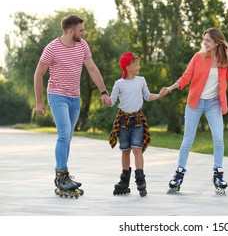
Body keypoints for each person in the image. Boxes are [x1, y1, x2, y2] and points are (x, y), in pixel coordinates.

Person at [34, 14, 110, 198]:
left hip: (75, 98)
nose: (83, 33)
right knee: (64, 133)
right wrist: (39, 101)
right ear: (70, 30)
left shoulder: (82, 45)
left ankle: (63, 176)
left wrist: (103, 91)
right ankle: (62, 175)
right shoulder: (52, 48)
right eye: (81, 30)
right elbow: (39, 74)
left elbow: (92, 68)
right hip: (57, 95)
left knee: (68, 136)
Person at [164, 27, 228, 195]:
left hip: (214, 104)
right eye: (204, 39)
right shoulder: (198, 57)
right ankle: (178, 174)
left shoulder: (224, 60)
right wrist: (171, 87)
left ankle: (218, 174)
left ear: (217, 42)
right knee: (188, 139)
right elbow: (186, 77)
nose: (204, 43)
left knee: (218, 138)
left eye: (208, 41)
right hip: (195, 103)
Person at [106, 52, 167, 197]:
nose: (139, 66)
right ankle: (124, 182)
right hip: (123, 121)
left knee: (137, 149)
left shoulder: (141, 80)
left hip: (138, 120)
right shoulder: (119, 83)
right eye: (136, 64)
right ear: (128, 67)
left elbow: (147, 96)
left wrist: (158, 95)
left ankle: (141, 180)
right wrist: (107, 100)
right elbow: (112, 101)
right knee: (125, 150)